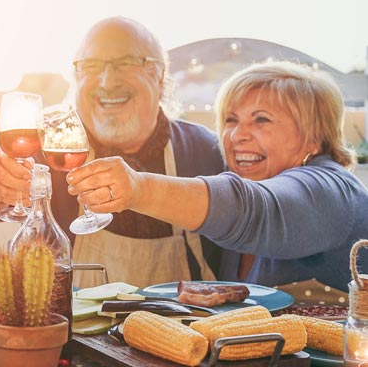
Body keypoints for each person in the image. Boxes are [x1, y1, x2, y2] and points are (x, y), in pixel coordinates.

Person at [66, 60, 368, 291]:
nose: (237, 135)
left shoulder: (332, 189)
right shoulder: (246, 180)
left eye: (261, 120)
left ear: (314, 137)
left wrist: (137, 187)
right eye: (230, 120)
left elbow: (255, 208)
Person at [0, 17, 227, 288]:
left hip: (182, 326)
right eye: (92, 66)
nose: (107, 82)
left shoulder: (204, 149)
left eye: (126, 63)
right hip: (75, 328)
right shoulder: (53, 145)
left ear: (160, 75)